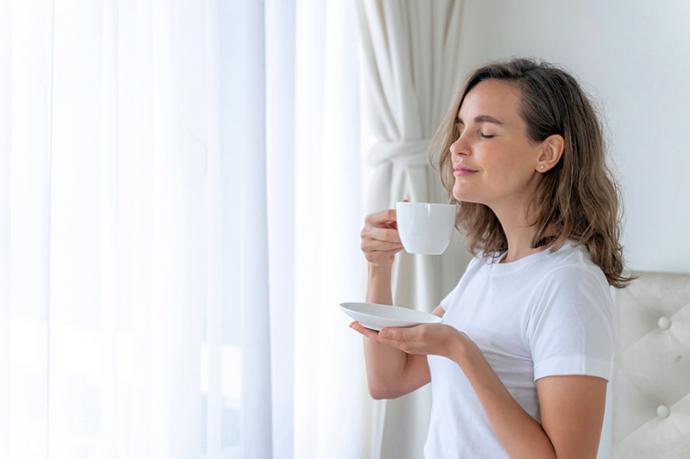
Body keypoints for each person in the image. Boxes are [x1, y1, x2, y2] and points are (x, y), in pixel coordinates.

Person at [350, 57, 635, 458]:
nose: (458, 147)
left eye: (484, 132)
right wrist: (379, 267)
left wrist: (462, 352)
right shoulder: (488, 267)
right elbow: (388, 381)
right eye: (460, 129)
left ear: (547, 154)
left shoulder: (568, 285)